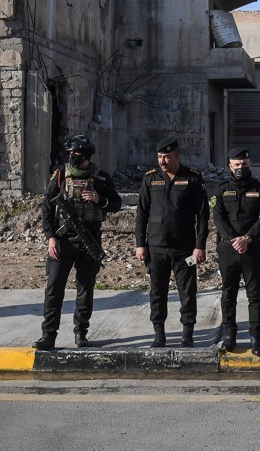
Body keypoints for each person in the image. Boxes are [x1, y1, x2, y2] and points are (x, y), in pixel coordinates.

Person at [33, 135, 122, 350]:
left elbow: (116, 204)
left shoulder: (100, 178)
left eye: (77, 155)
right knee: (54, 288)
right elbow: (46, 207)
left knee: (85, 289)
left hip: (89, 240)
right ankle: (48, 335)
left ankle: (81, 333)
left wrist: (99, 199)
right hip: (62, 241)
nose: (72, 157)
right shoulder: (61, 176)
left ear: (87, 157)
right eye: (71, 154)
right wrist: (51, 237)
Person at [135, 136, 209, 347]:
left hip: (185, 249)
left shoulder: (193, 178)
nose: (162, 161)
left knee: (188, 291)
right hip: (156, 248)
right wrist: (140, 243)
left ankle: (187, 333)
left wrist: (199, 246)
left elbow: (203, 216)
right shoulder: (150, 179)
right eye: (159, 157)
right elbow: (141, 214)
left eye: (166, 157)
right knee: (157, 292)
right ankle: (159, 334)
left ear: (177, 155)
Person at [210, 147, 260, 356]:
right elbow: (218, 218)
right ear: (230, 166)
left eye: (244, 165)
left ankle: (256, 337)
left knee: (254, 295)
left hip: (252, 248)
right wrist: (233, 239)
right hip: (228, 249)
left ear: (250, 165)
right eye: (236, 165)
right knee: (228, 294)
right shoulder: (221, 189)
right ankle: (230, 335)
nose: (240, 168)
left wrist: (247, 238)